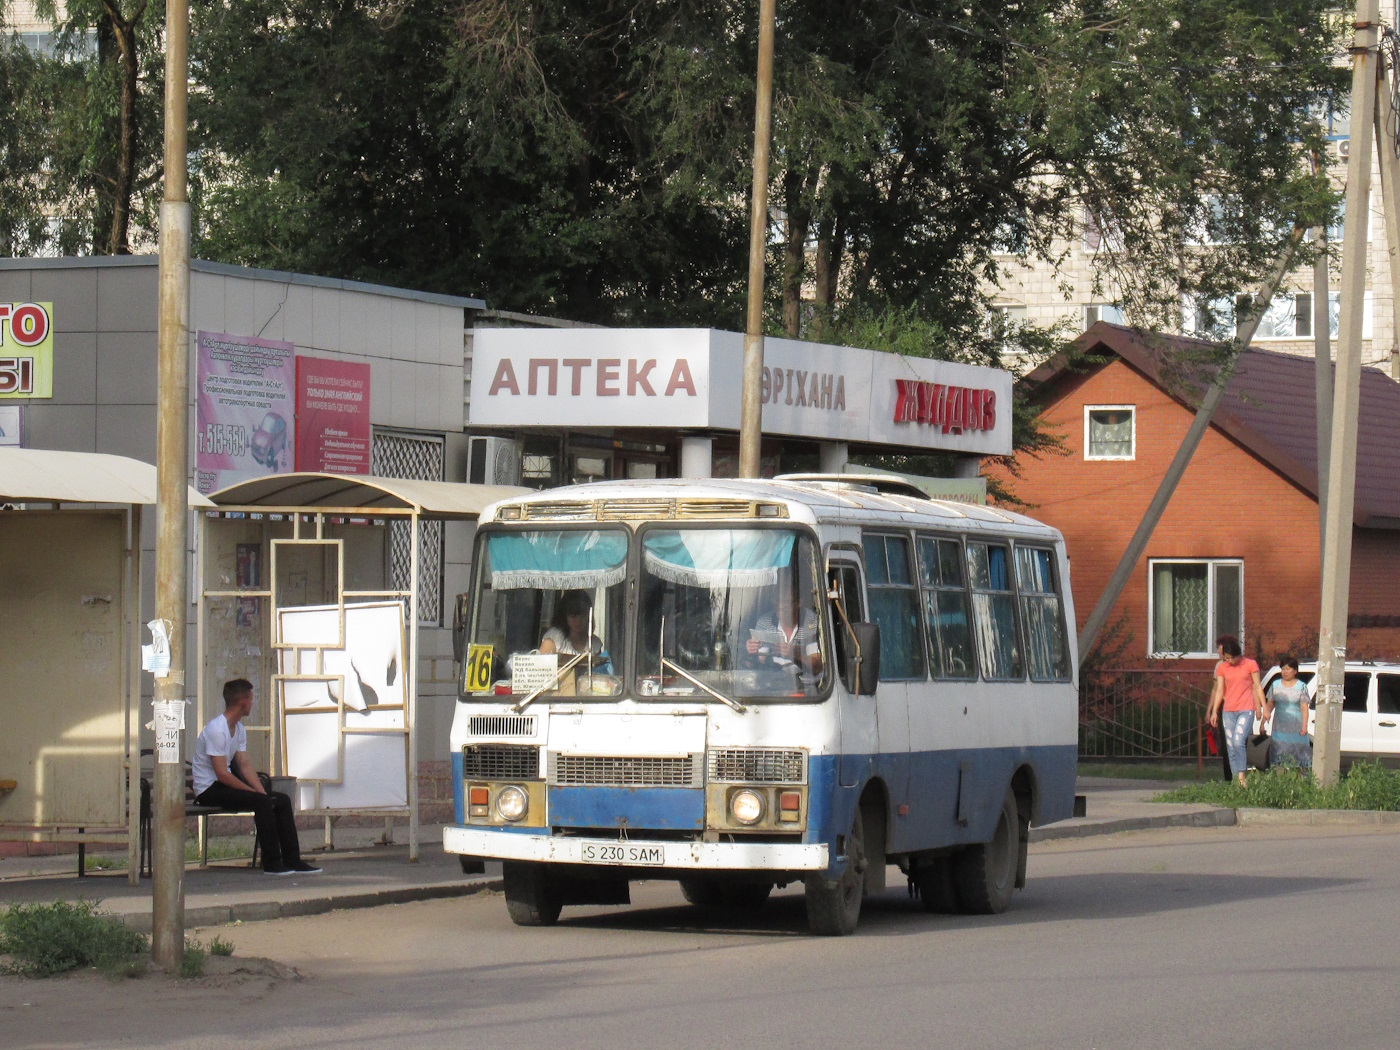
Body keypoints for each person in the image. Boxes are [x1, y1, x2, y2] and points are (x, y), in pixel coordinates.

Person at [192, 679, 321, 876]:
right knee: (261, 803)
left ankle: (293, 860)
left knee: (281, 801)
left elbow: (243, 764)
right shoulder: (216, 730)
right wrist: (255, 794)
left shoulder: (239, 729)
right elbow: (222, 774)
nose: (253, 703)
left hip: (224, 786)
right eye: (251, 699)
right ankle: (272, 863)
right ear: (243, 701)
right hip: (209, 790)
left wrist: (261, 791)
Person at [1205, 635, 1266, 787]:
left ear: (1238, 655)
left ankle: (1241, 776)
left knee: (1239, 741)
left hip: (1246, 709)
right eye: (1226, 658)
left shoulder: (1250, 664)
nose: (1230, 661)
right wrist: (1214, 711)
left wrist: (1263, 708)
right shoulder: (1222, 667)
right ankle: (1235, 782)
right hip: (1228, 711)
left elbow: (1257, 686)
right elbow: (1219, 690)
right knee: (1230, 745)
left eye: (1232, 658)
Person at [746, 586, 823, 678]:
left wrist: (794, 654)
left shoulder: (811, 622)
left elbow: (816, 667)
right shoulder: (765, 623)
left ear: (799, 602)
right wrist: (752, 652)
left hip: (807, 684)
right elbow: (759, 662)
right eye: (777, 601)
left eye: (786, 601)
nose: (780, 606)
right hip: (772, 682)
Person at [1263, 655, 1313, 769]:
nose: (1285, 672)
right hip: (1279, 727)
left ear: (1295, 671)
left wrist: (1304, 726)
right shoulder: (1275, 685)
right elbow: (1270, 703)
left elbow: (1304, 707)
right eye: (1283, 669)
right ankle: (1280, 781)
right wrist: (1263, 721)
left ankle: (1298, 782)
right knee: (1279, 756)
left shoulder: (1301, 686)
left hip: (1296, 727)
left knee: (1298, 759)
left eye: (1288, 669)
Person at [539, 590, 603, 658]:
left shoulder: (594, 644)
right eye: (573, 616)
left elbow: (599, 667)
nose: (578, 621)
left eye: (583, 615)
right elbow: (542, 666)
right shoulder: (554, 639)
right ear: (564, 616)